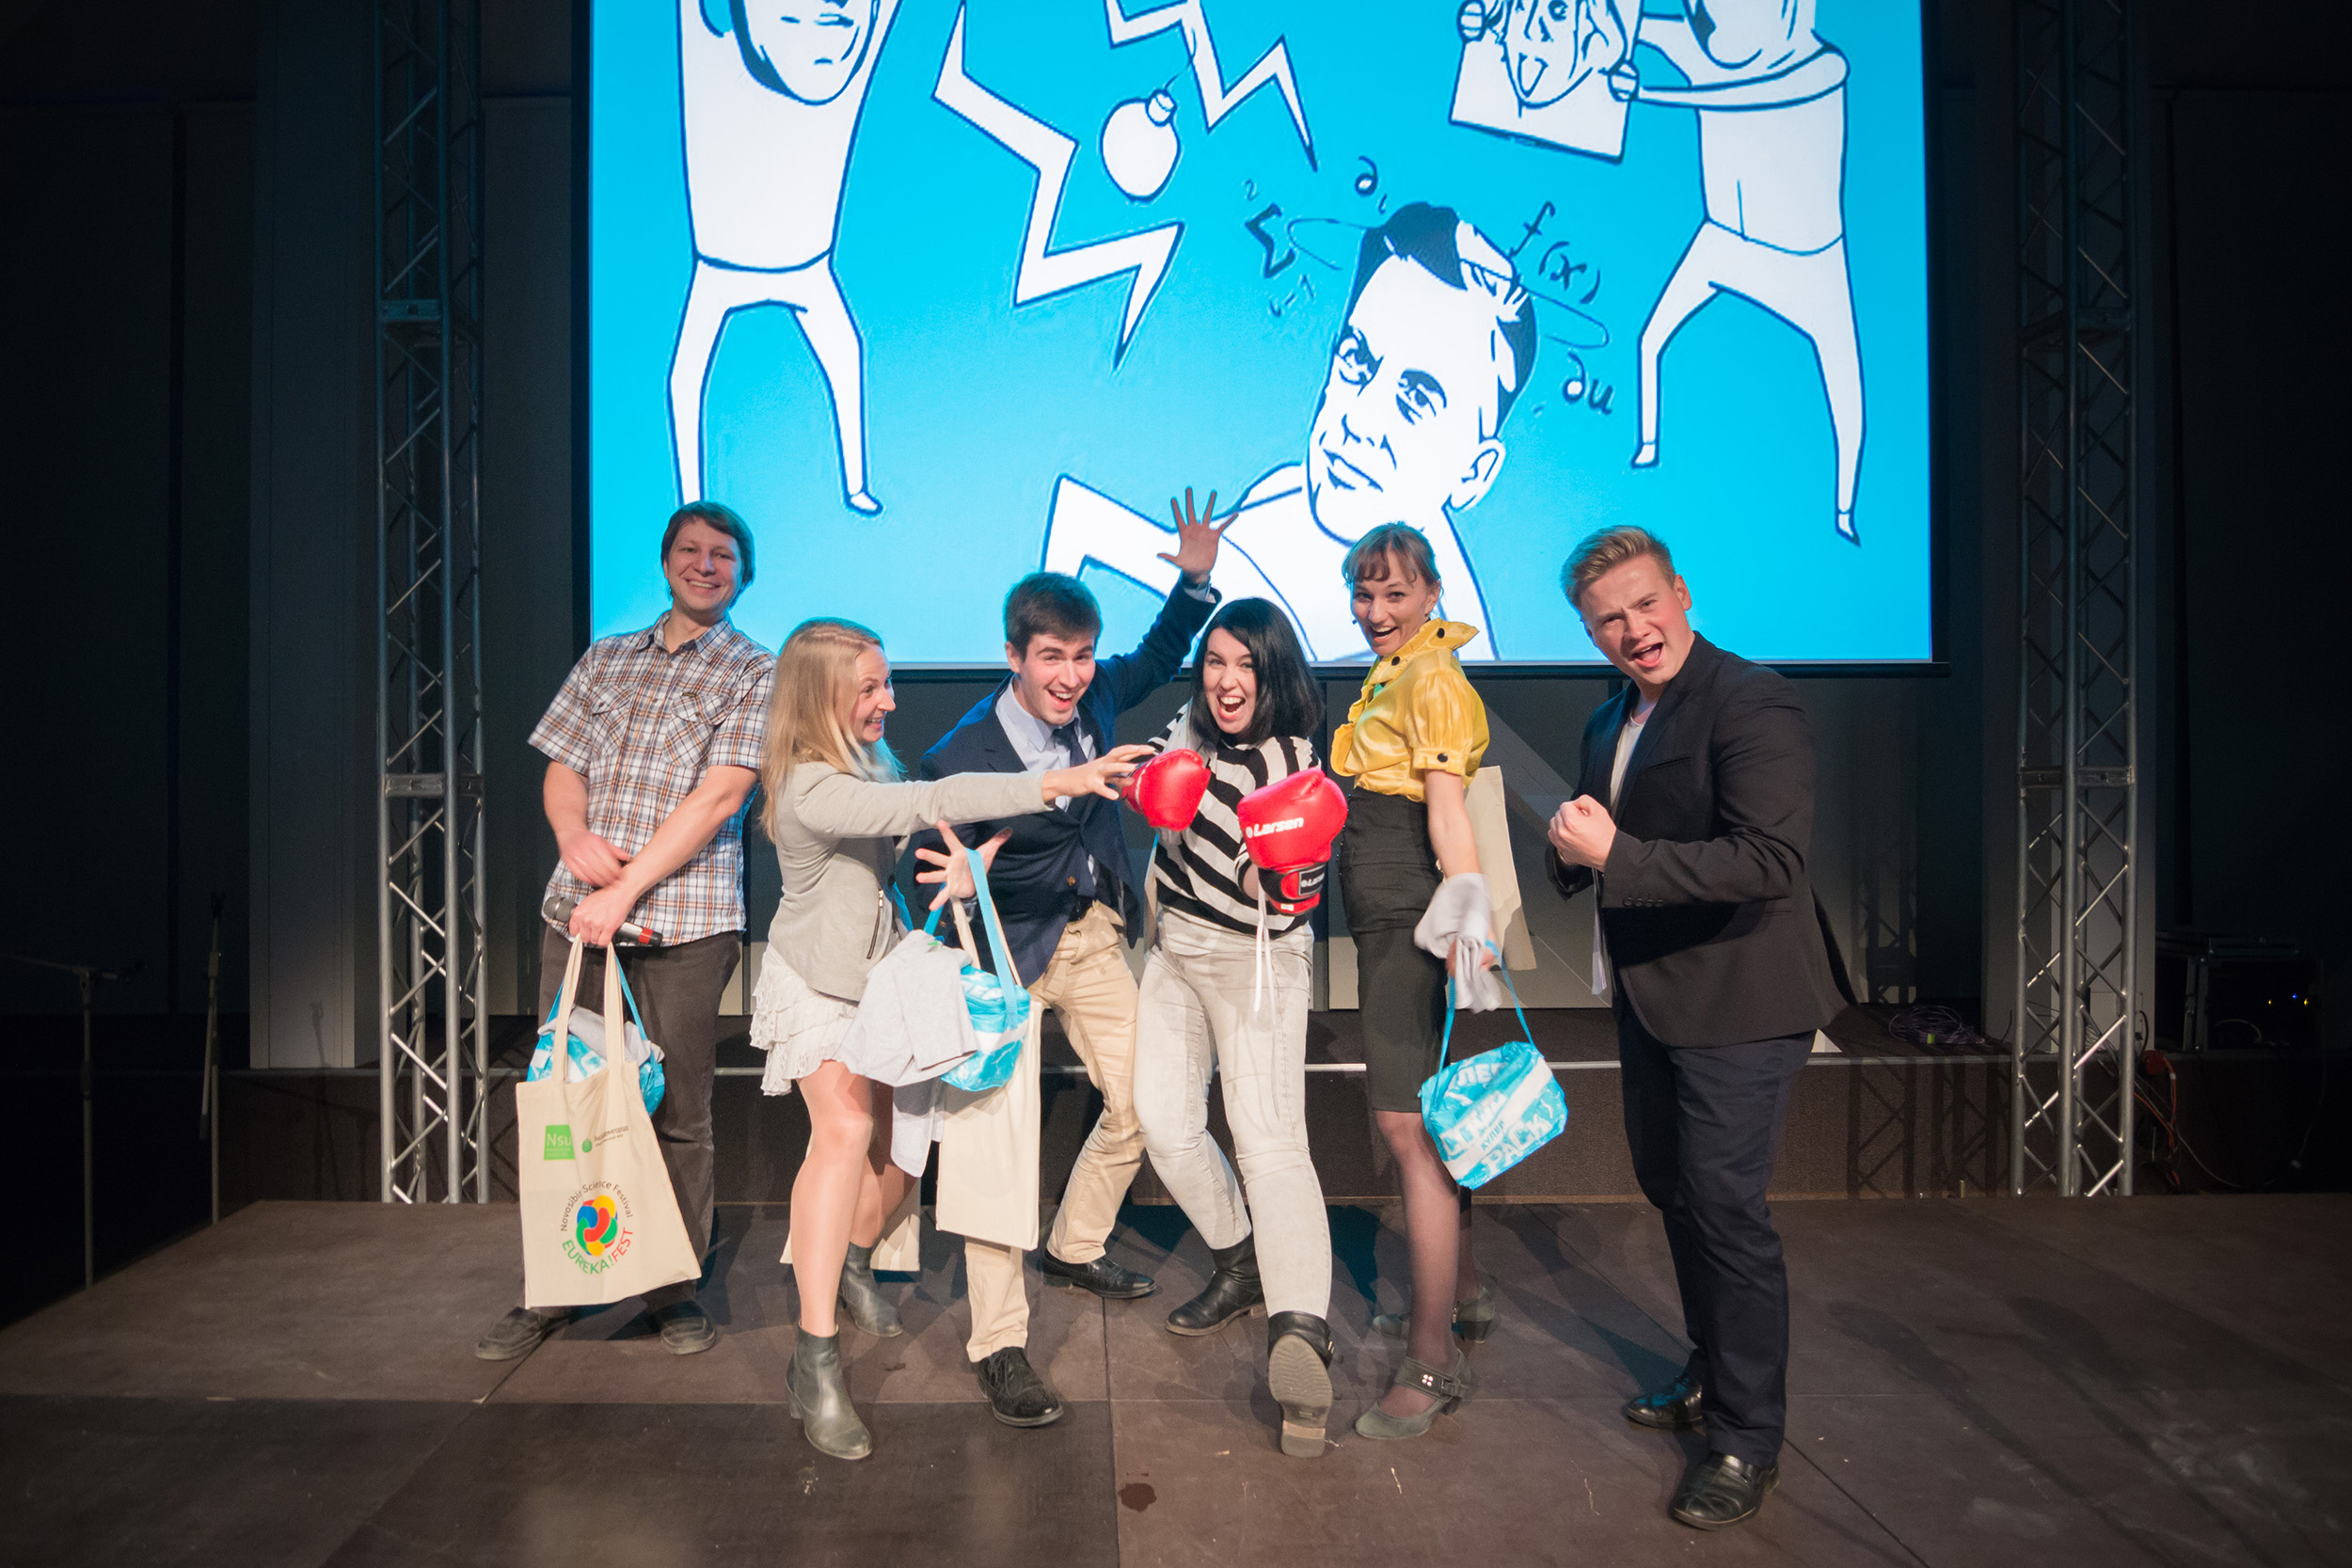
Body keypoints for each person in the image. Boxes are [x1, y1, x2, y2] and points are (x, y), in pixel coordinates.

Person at [748, 617, 1144, 1461]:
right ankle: (814, 1358)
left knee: (908, 1149)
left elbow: (920, 839)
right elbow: (930, 802)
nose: (890, 700)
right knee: (843, 1133)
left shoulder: (869, 757)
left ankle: (853, 1260)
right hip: (817, 982)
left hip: (881, 975)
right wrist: (1061, 780)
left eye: (888, 681)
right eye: (870, 687)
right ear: (820, 696)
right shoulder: (810, 783)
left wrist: (973, 865)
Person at [1545, 525, 1842, 1529]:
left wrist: (1615, 855)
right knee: (1674, 1191)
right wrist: (1569, 851)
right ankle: (1712, 1369)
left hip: (1742, 999)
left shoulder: (1751, 698)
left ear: (1680, 593)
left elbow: (1768, 860)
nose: (1634, 630)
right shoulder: (1608, 719)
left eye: (1645, 604)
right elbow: (1602, 839)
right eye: (1608, 620)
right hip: (1651, 997)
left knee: (1725, 1207)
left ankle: (1747, 1437)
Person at [911, 500, 1225, 1427]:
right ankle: (999, 1342)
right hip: (999, 956)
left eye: (1082, 656)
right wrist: (960, 881)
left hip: (1087, 935)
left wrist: (1195, 580)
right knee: (993, 1150)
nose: (1072, 675)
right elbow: (916, 869)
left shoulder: (1095, 698)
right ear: (1013, 655)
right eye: (1052, 656)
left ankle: (1075, 1242)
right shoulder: (957, 752)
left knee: (1144, 1102)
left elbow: (1160, 652)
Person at [475, 502, 773, 1362]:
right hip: (578, 918)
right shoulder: (606, 658)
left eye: (724, 555)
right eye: (691, 550)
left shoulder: (756, 669)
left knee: (677, 1113)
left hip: (685, 925)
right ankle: (555, 1287)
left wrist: (626, 887)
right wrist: (572, 838)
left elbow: (720, 796)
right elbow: (563, 766)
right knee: (565, 1103)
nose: (706, 565)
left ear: (744, 573)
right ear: (666, 560)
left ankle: (671, 1290)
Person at [1041, 203, 1537, 659]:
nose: (1359, 421)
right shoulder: (1282, 494)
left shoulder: (1456, 664)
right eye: (1356, 360)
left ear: (1474, 473)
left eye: (1418, 399)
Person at [1124, 598, 1339, 1458]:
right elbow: (1154, 785)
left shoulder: (1290, 760)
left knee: (1271, 1144)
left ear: (1274, 672)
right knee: (1165, 1126)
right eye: (1216, 660)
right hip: (1175, 950)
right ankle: (1241, 1257)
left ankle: (1302, 1336)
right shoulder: (1189, 726)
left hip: (1254, 962)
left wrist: (1283, 880)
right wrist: (1142, 780)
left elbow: (1273, 874)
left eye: (1246, 664)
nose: (1227, 680)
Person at [1327, 523, 1499, 1441]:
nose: (1376, 610)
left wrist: (1467, 909)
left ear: (1433, 591)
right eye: (1364, 593)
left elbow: (1445, 810)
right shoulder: (1399, 671)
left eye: (1395, 592)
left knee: (1408, 1126)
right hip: (1387, 899)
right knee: (1421, 1113)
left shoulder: (1430, 676)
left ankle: (1433, 1358)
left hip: (1405, 905)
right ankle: (1461, 1295)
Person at [1627, 0, 1863, 543]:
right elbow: (1623, 24)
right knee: (1651, 339)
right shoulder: (1703, 47)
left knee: (1844, 387)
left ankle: (1845, 510)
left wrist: (1649, 94)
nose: (1705, 19)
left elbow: (1744, 96)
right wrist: (1494, 25)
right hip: (1725, 239)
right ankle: (1648, 448)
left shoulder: (1821, 66)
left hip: (1807, 260)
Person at [672, 0, 899, 515]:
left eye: (839, 21)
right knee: (686, 380)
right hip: (718, 271)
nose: (822, 37)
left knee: (845, 353)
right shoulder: (712, 59)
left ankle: (855, 485)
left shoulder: (843, 78)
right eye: (795, 18)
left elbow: (880, 13)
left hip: (808, 270)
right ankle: (688, 506)